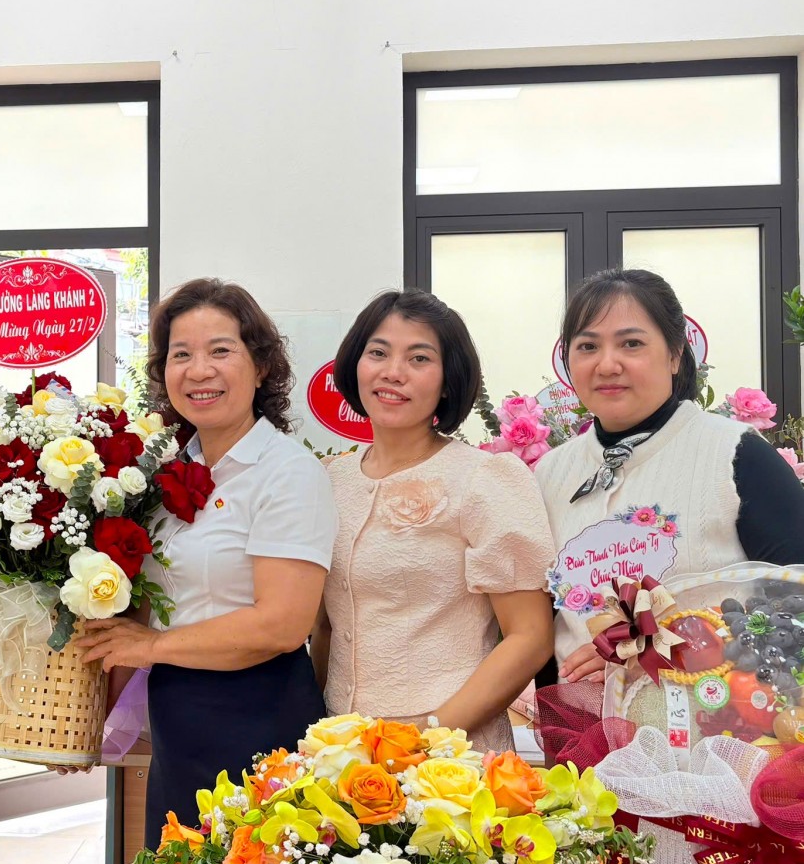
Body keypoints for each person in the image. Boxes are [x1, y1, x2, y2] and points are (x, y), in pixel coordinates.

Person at [77, 278, 337, 864]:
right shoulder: (167, 471)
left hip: (258, 721)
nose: (199, 370)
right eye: (180, 354)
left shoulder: (286, 472)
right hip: (180, 719)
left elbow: (282, 623)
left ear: (261, 364)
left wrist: (152, 643)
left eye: (220, 350)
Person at [314, 289, 555, 754]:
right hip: (340, 749)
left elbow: (530, 637)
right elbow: (325, 627)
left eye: (419, 358)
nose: (393, 372)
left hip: (450, 756)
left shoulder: (485, 478)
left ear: (448, 381)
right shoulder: (331, 480)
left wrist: (426, 742)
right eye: (378, 353)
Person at [536, 268, 804, 682]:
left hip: (717, 713)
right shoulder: (550, 474)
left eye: (631, 343)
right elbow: (541, 623)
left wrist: (654, 647)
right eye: (588, 346)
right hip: (577, 718)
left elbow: (796, 603)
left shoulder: (735, 454)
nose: (607, 364)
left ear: (676, 353)